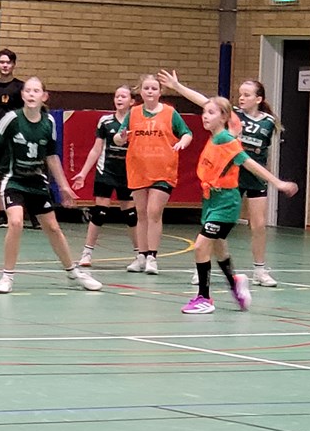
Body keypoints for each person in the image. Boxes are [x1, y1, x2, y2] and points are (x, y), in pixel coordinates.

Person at [157, 70, 297, 313]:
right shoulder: (215, 137)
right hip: (211, 199)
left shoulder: (227, 139)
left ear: (224, 117)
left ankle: (204, 298)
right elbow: (203, 101)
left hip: (226, 202)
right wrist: (178, 87)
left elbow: (250, 164)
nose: (205, 116)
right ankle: (235, 282)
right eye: (204, 112)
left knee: (201, 246)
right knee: (219, 247)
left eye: (211, 113)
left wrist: (278, 183)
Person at [0, 76, 103, 294]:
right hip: (13, 179)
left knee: (53, 228)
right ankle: (7, 276)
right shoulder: (12, 119)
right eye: (28, 90)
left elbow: (52, 157)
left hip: (36, 180)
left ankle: (73, 272)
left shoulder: (49, 122)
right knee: (16, 222)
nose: (31, 94)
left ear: (44, 96)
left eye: (36, 91)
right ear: (22, 95)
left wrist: (64, 187)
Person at [113, 73, 192, 274]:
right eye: (146, 88)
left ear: (160, 92)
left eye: (154, 88)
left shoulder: (170, 112)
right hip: (138, 168)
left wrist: (182, 142)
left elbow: (187, 133)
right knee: (141, 213)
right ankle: (141, 255)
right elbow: (118, 138)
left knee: (153, 211)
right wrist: (120, 137)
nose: (150, 91)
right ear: (140, 91)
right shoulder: (133, 113)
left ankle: (152, 257)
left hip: (163, 170)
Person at [71, 85, 139, 269]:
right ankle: (87, 253)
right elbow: (96, 149)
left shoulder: (136, 122)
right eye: (117, 96)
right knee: (99, 212)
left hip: (128, 173)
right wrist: (83, 173)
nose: (119, 99)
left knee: (130, 214)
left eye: (123, 96)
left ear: (132, 101)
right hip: (106, 171)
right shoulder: (105, 121)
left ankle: (139, 254)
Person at [0, 48, 38, 229]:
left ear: (13, 65)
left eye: (8, 62)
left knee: (21, 175)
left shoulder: (20, 87)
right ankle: (2, 214)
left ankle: (32, 215)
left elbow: (28, 111)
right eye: (2, 62)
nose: (5, 65)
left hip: (15, 139)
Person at [233, 80, 282, 287]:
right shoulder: (233, 114)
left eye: (247, 95)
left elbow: (262, 152)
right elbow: (206, 102)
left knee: (259, 225)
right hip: (233, 175)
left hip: (255, 176)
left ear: (258, 99)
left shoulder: (269, 122)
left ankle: (259, 270)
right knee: (220, 224)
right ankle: (201, 268)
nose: (241, 98)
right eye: (240, 94)